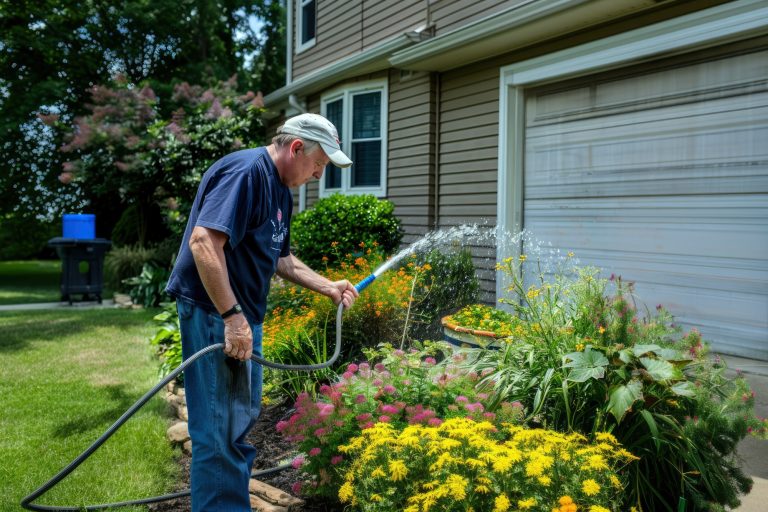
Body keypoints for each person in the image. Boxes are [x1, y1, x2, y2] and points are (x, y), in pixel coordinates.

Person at [165, 113, 359, 512]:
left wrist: (328, 286)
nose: (319, 175)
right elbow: (204, 243)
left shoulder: (281, 190)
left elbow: (281, 258)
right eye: (319, 164)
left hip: (240, 317)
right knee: (218, 433)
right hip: (213, 314)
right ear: (296, 148)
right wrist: (233, 317)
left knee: (236, 427)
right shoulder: (246, 173)